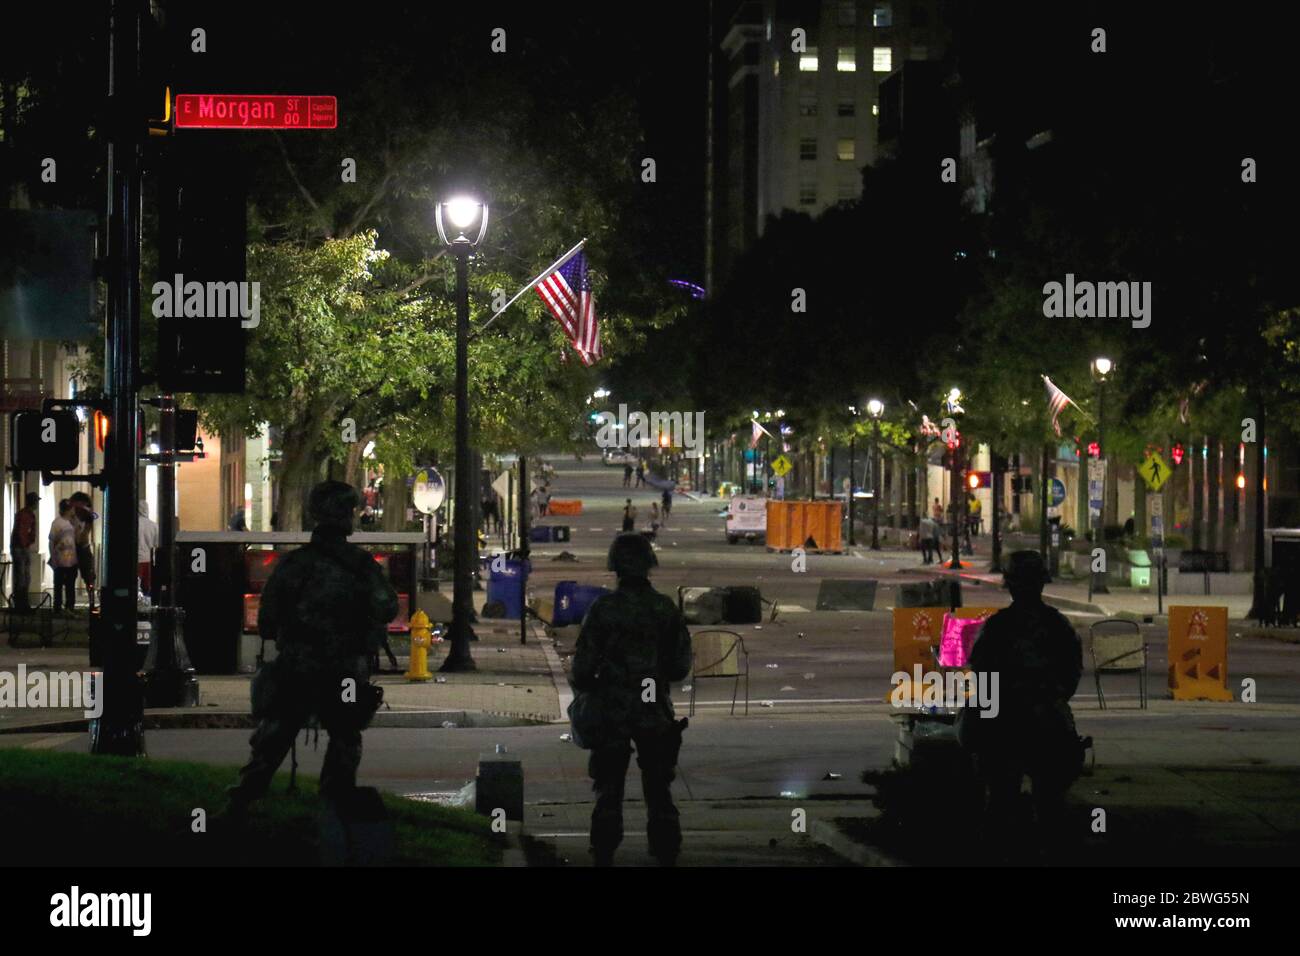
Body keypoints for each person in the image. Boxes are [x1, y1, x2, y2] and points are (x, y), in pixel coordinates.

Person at [226, 481, 399, 813]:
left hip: (298, 666)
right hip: (346, 670)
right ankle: (335, 805)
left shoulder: (294, 565)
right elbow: (387, 607)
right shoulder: (362, 567)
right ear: (345, 516)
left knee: (276, 734)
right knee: (345, 736)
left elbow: (267, 622)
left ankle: (244, 798)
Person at [571, 533, 692, 866]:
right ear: (648, 566)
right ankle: (666, 849)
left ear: (615, 567)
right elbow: (681, 666)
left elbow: (582, 669)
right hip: (653, 708)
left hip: (611, 708)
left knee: (608, 789)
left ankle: (604, 849)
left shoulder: (603, 610)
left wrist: (594, 687)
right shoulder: (664, 609)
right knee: (659, 788)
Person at [959, 550, 1084, 860]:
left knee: (1001, 802)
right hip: (1047, 724)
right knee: (1049, 803)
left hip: (1006, 726)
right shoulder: (1058, 626)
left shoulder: (998, 627)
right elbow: (1070, 677)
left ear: (1011, 586)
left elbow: (983, 677)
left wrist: (982, 724)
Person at [9, 492, 39, 612]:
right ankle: (21, 604)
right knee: (22, 576)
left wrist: (29, 541)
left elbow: (29, 532)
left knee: (24, 576)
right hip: (20, 547)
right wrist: (25, 543)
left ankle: (22, 603)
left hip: (22, 547)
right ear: (34, 502)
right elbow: (21, 531)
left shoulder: (29, 515)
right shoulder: (25, 515)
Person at [48, 500, 79, 613]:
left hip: (72, 560)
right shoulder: (57, 523)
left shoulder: (73, 522)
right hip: (60, 560)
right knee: (59, 584)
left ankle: (69, 606)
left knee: (70, 584)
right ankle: (58, 607)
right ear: (68, 509)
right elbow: (51, 541)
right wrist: (54, 558)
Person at [69, 492, 97, 611]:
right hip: (72, 548)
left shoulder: (88, 516)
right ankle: (70, 604)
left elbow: (93, 516)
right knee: (70, 577)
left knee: (89, 577)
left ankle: (91, 602)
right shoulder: (71, 515)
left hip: (83, 548)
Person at [137, 500, 158, 597]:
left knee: (136, 588)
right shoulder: (154, 526)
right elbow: (156, 544)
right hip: (148, 560)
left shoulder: (133, 524)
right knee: (147, 589)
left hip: (136, 561)